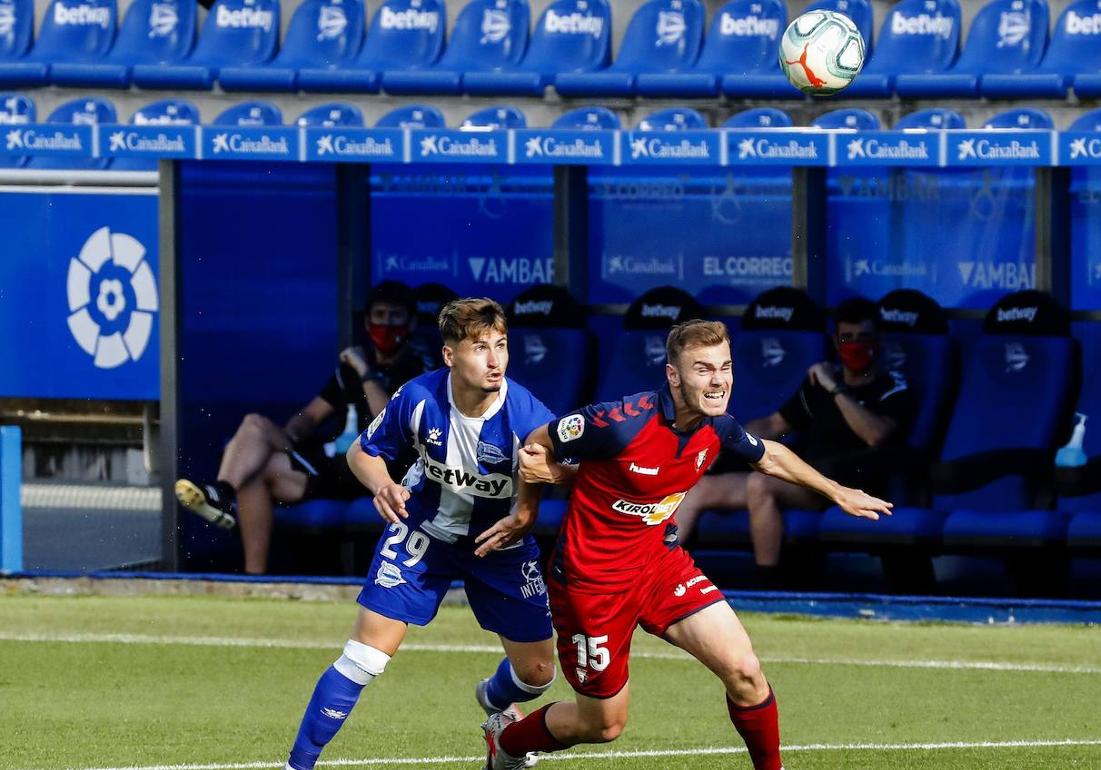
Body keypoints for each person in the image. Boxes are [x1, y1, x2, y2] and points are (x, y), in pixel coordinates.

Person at [480, 319, 892, 770]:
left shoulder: (717, 426)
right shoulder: (619, 422)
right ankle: (509, 742)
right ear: (674, 375)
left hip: (660, 566)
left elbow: (769, 455)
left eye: (725, 367)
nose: (718, 381)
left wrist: (837, 491)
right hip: (592, 587)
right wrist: (527, 510)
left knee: (745, 672)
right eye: (703, 369)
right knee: (603, 725)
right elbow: (539, 446)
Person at [284, 298, 559, 770]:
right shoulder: (418, 398)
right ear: (451, 355)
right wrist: (383, 483)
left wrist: (549, 474)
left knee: (537, 676)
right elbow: (362, 453)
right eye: (479, 348)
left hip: (500, 545)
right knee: (363, 659)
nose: (495, 360)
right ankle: (297, 765)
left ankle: (495, 701)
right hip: (423, 534)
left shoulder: (526, 414)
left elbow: (569, 466)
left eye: (502, 345)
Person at [175, 281, 426, 574]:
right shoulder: (350, 370)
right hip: (331, 467)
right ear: (368, 321)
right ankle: (249, 571)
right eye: (380, 315)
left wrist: (366, 373)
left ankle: (221, 498)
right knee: (255, 434)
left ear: (410, 322)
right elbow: (311, 415)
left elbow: (390, 420)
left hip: (374, 469)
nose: (386, 323)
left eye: (394, 316)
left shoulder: (416, 369)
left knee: (259, 461)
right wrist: (289, 436)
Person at [674, 297, 914, 585]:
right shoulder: (818, 383)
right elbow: (775, 424)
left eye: (864, 338)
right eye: (847, 338)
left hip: (850, 482)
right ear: (836, 342)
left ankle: (768, 586)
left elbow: (875, 435)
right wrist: (722, 436)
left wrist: (835, 387)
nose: (855, 345)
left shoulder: (892, 386)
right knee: (700, 488)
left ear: (879, 340)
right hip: (806, 479)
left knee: (760, 483)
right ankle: (655, 573)